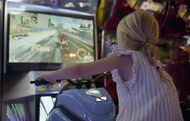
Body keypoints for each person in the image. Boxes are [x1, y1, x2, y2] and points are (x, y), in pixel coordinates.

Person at [37, 11, 184, 121]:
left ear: (124, 37)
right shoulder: (155, 64)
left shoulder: (126, 57)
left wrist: (50, 76)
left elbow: (80, 69)